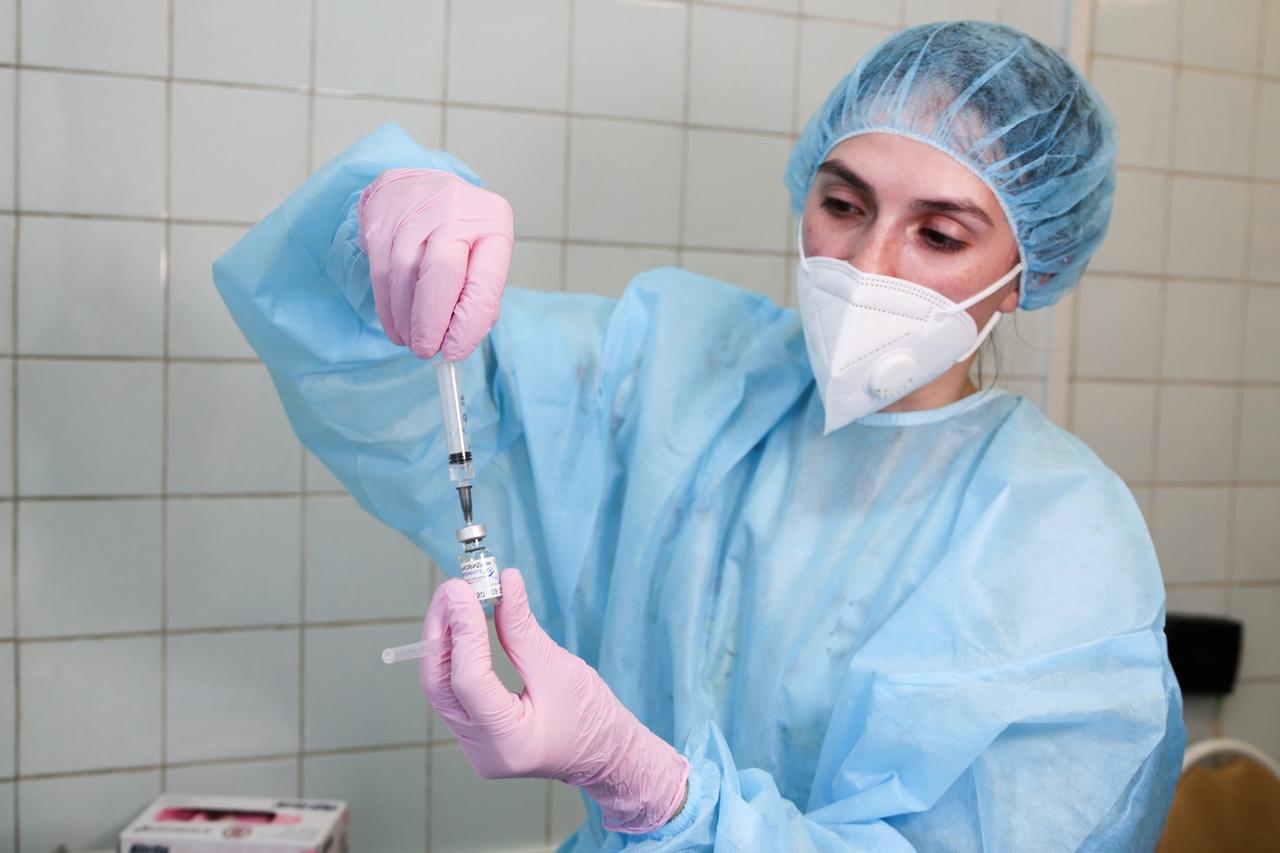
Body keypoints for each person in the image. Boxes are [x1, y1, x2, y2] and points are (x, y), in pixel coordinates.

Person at [214, 20, 1185, 850]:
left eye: (939, 234)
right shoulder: (685, 377)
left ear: (1025, 272)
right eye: (842, 204)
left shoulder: (1057, 538)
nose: (866, 263)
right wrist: (373, 234)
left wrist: (655, 793)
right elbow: (408, 384)